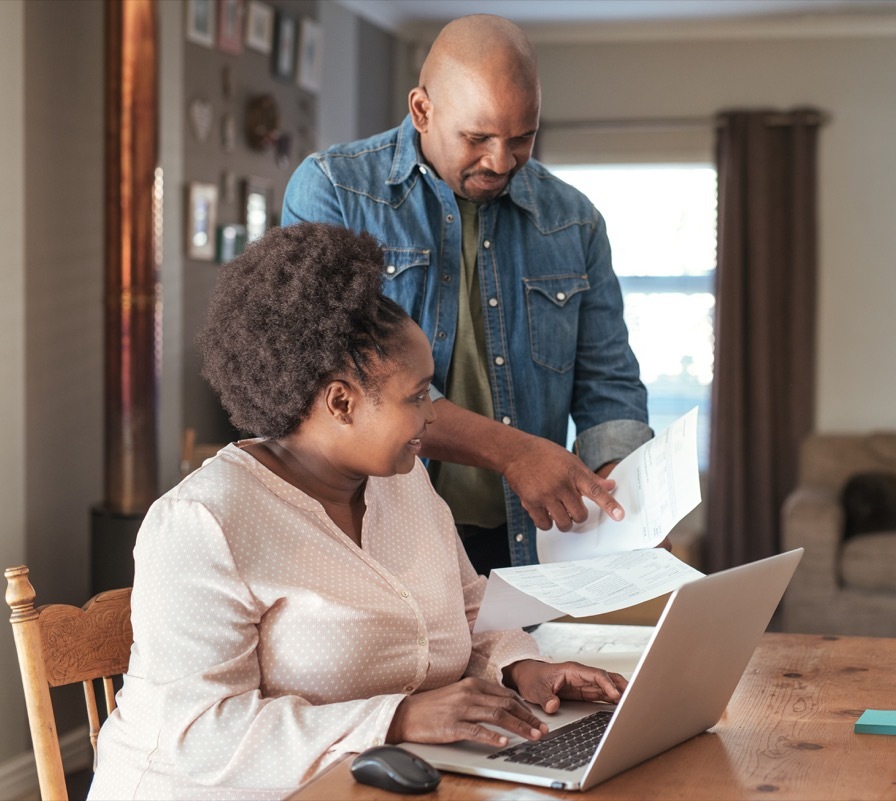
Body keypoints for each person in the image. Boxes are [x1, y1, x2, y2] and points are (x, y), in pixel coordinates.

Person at [88, 223, 626, 800]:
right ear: (341, 402)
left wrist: (525, 668)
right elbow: (200, 736)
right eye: (417, 397)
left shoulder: (402, 483)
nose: (430, 419)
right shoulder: (204, 522)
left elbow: (467, 609)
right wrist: (398, 719)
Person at [282, 14, 655, 574]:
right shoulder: (334, 192)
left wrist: (628, 503)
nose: (501, 162)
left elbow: (609, 384)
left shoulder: (575, 222)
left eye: (522, 138)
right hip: (372, 536)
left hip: (522, 543)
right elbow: (350, 382)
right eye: (477, 138)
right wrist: (515, 453)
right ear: (422, 111)